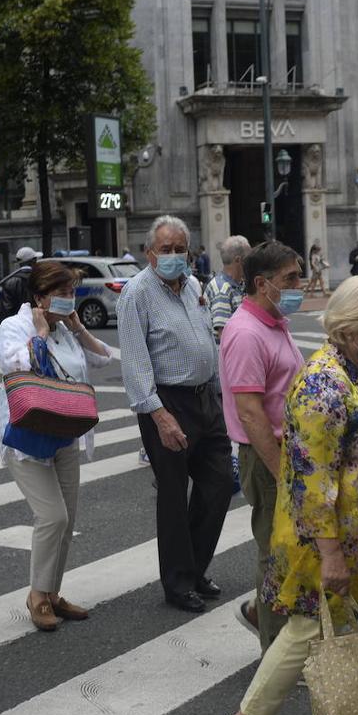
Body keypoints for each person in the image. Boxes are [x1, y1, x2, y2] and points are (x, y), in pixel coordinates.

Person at [219, 275, 358, 715]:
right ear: (355, 327)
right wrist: (331, 555)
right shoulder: (322, 384)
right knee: (305, 632)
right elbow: (312, 480)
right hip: (338, 540)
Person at [117, 215, 235, 614]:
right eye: (164, 249)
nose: (172, 256)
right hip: (168, 403)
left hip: (205, 400)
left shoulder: (194, 287)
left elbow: (207, 342)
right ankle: (179, 582)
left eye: (179, 248)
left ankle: (196, 566)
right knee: (172, 495)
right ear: (149, 253)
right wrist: (159, 415)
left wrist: (220, 396)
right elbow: (135, 363)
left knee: (218, 485)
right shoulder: (136, 294)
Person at [0, 260, 113, 630]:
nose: (68, 299)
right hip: (28, 434)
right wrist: (41, 332)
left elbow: (102, 357)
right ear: (39, 297)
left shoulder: (67, 330)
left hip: (65, 431)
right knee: (53, 517)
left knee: (68, 520)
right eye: (61, 293)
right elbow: (18, 366)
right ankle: (36, 596)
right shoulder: (14, 327)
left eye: (71, 292)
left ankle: (53, 593)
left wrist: (76, 327)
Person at [219, 241, 305, 650]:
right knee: (276, 554)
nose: (299, 285)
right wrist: (280, 473)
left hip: (290, 451)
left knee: (291, 549)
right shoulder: (246, 333)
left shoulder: (273, 322)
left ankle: (262, 614)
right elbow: (251, 413)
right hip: (268, 455)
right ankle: (275, 650)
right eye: (290, 278)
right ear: (261, 283)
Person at [206, 235, 250, 339]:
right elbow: (224, 335)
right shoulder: (222, 290)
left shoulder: (238, 285)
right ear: (238, 260)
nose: (252, 263)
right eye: (249, 258)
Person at [2, 247, 42, 318]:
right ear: (33, 261)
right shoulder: (40, 279)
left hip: (16, 323)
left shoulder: (9, 282)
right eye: (35, 259)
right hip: (38, 320)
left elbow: (7, 309)